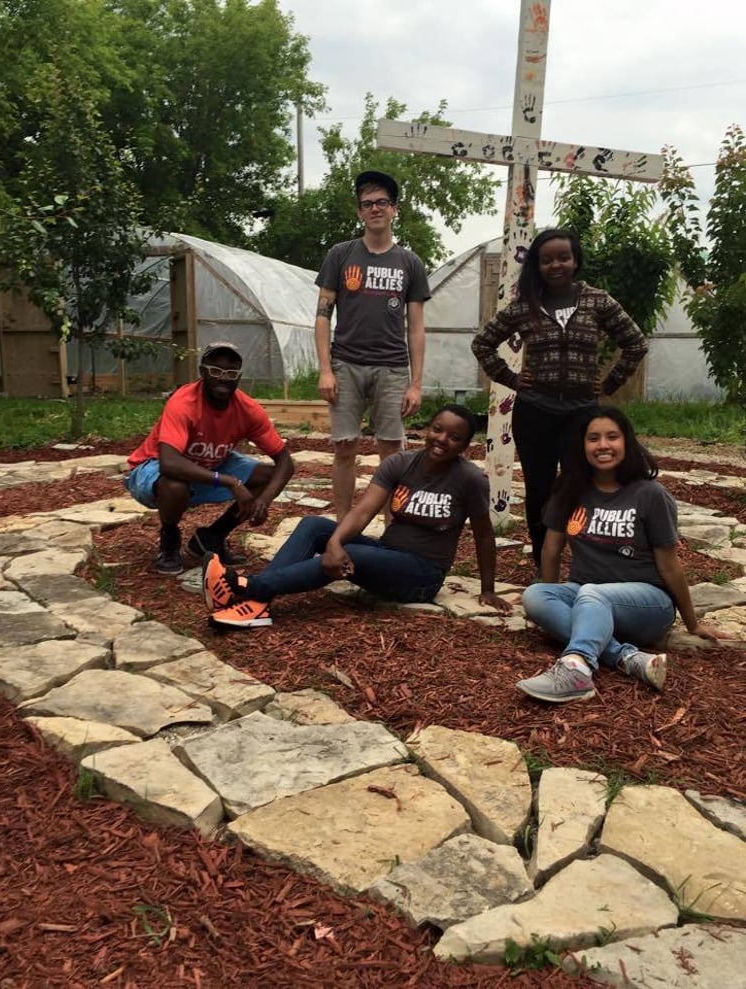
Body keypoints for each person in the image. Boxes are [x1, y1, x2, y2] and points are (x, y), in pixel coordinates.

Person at [200, 405, 513, 628]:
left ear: (465, 445)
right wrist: (335, 542)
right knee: (313, 526)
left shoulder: (469, 479)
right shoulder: (401, 463)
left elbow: (484, 535)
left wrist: (487, 589)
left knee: (355, 554)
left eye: (455, 437)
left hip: (422, 575)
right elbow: (363, 510)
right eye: (437, 429)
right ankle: (257, 604)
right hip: (387, 554)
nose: (442, 439)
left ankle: (245, 587)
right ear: (427, 429)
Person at [516, 406, 724, 703]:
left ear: (626, 441)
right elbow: (551, 550)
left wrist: (692, 623)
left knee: (592, 593)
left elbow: (669, 564)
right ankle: (626, 657)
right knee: (536, 595)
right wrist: (552, 597)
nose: (603, 445)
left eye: (612, 437)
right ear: (582, 446)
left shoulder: (650, 494)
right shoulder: (569, 490)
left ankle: (577, 668)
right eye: (593, 438)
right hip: (587, 594)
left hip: (648, 602)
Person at [471, 228, 649, 570]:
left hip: (582, 415)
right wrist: (510, 378)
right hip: (535, 412)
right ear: (537, 266)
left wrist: (609, 384)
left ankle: (586, 559)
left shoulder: (598, 301)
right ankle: (544, 563)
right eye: (547, 260)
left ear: (575, 260)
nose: (556, 265)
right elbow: (482, 343)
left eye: (563, 258)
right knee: (539, 490)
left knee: (582, 486)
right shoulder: (525, 305)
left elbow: (636, 343)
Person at [314, 169, 431, 521]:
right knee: (344, 447)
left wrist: (415, 383)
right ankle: (342, 525)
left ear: (394, 209)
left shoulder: (410, 263)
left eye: (382, 202)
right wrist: (325, 370)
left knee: (392, 453)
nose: (375, 208)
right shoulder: (340, 255)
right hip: (345, 365)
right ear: (359, 212)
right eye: (367, 204)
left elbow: (416, 328)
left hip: (392, 368)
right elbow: (322, 316)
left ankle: (392, 528)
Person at [124, 341, 294, 575]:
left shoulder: (248, 410)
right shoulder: (183, 403)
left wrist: (264, 500)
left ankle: (211, 538)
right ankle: (169, 537)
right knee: (175, 485)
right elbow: (169, 463)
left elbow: (285, 462)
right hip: (153, 470)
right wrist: (230, 481)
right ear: (202, 372)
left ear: (239, 376)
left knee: (268, 477)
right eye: (215, 371)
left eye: (231, 373)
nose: (223, 378)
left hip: (209, 465)